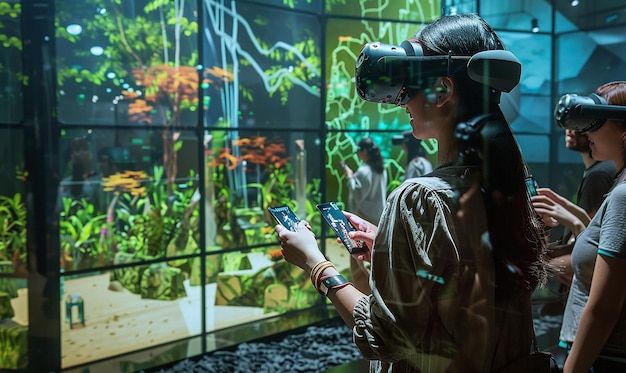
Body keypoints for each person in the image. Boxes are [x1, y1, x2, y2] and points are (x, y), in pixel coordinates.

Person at [275, 14, 548, 372]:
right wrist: (392, 248)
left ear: (443, 90)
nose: (402, 99)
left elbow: (385, 336)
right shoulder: (509, 180)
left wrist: (315, 263)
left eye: (409, 84)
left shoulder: (418, 196)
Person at [550, 81, 626, 373]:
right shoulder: (617, 186)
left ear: (622, 127)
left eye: (594, 123)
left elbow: (605, 307)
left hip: (606, 356)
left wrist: (572, 369)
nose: (586, 132)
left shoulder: (622, 195)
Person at [533, 128, 615, 315]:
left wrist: (542, 265)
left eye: (582, 123)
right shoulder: (599, 172)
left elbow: (593, 245)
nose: (570, 128)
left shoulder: (600, 175)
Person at [342, 137, 388, 293]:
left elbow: (357, 194)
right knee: (375, 259)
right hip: (377, 218)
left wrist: (350, 177)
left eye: (358, 151)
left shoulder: (363, 171)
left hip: (363, 218)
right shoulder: (381, 169)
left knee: (357, 259)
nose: (357, 154)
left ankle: (362, 293)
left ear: (364, 152)